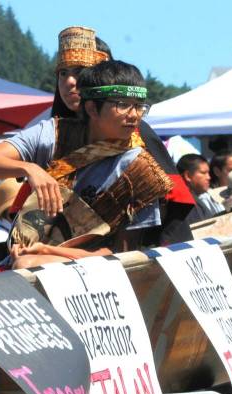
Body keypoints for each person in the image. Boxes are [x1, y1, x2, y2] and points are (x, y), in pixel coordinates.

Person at [0, 60, 173, 268]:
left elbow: (123, 255)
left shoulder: (141, 171)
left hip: (96, 271)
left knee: (27, 265)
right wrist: (30, 168)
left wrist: (47, 250)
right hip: (21, 255)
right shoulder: (53, 134)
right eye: (122, 105)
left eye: (139, 106)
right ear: (91, 108)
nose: (134, 115)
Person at [28, 26, 195, 246]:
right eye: (63, 73)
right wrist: (29, 169)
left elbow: (173, 204)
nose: (70, 82)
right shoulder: (52, 133)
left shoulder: (134, 132)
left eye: (80, 72)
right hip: (59, 247)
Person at [177, 153, 224, 223]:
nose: (209, 177)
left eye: (208, 173)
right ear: (188, 176)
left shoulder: (195, 199)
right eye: (203, 173)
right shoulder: (183, 205)